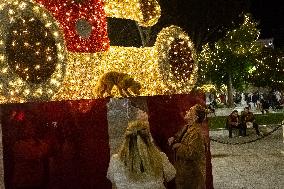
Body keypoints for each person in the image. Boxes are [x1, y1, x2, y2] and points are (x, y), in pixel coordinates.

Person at [107, 119, 176, 189]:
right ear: (148, 138)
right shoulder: (160, 157)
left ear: (126, 139)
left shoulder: (115, 160)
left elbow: (111, 178)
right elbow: (171, 175)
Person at [168, 104, 206, 189]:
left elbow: (193, 153)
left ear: (195, 117)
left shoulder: (196, 133)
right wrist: (174, 138)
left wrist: (178, 146)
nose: (186, 111)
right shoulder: (188, 127)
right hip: (184, 173)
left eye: (190, 111)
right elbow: (181, 135)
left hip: (192, 176)